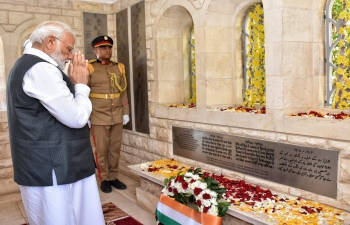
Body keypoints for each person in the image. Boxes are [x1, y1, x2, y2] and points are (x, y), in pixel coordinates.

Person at [6, 21, 105, 225]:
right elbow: (77, 117)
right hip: (55, 167)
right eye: (69, 49)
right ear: (50, 42)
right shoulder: (41, 68)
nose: (70, 55)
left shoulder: (26, 64)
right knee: (63, 217)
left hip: (48, 163)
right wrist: (81, 86)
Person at [88, 35, 130, 193]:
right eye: (104, 48)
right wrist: (86, 115)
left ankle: (113, 177)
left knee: (115, 148)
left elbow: (123, 92)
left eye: (109, 48)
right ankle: (104, 178)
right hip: (98, 114)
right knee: (101, 149)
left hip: (117, 114)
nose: (108, 50)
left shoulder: (118, 67)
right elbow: (83, 93)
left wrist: (126, 112)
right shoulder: (89, 67)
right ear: (96, 50)